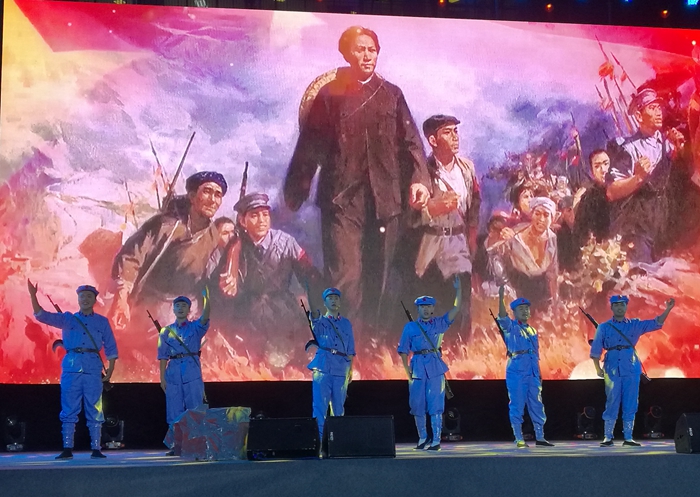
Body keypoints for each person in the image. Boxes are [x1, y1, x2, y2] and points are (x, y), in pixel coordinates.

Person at [284, 26, 430, 319]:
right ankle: (345, 337)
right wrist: (296, 190)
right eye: (360, 49)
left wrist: (420, 180)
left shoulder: (392, 94)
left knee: (379, 276)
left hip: (385, 201)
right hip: (341, 201)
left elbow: (411, 142)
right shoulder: (330, 95)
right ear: (347, 54)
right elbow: (310, 144)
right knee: (345, 276)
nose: (367, 56)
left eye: (372, 50)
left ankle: (371, 340)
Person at [110, 171, 228, 329]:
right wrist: (121, 297)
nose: (212, 200)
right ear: (192, 196)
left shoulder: (213, 235)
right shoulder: (165, 225)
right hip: (150, 307)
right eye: (207, 191)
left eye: (218, 195)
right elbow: (131, 257)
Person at [217, 193, 322, 368]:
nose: (261, 220)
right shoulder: (235, 247)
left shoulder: (286, 242)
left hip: (282, 311)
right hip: (249, 313)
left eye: (265, 214)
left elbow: (308, 273)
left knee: (292, 361)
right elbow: (226, 285)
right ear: (242, 221)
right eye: (254, 215)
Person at [27, 280, 118, 459]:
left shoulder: (102, 322)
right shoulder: (68, 319)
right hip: (71, 367)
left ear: (94, 300)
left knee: (95, 408)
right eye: (82, 296)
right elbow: (41, 315)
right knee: (68, 408)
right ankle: (67, 448)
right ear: (78, 299)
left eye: (89, 296)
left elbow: (111, 346)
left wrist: (110, 370)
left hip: (93, 368)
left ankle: (96, 448)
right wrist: (33, 295)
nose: (85, 299)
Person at [413, 115, 480, 336]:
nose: (455, 137)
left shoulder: (467, 169)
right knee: (435, 302)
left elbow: (474, 205)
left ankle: (461, 348)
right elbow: (411, 215)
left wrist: (471, 239)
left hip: (459, 243)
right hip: (432, 244)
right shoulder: (422, 171)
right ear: (433, 140)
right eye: (447, 132)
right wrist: (432, 209)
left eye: (455, 131)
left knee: (461, 303)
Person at [606, 88, 686, 262]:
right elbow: (612, 191)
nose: (659, 112)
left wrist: (679, 149)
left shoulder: (667, 143)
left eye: (659, 108)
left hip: (662, 221)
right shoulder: (628, 149)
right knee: (642, 271)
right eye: (652, 108)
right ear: (639, 116)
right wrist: (638, 178)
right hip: (638, 223)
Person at [590, 294, 675, 446]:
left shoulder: (634, 324)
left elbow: (656, 323)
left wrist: (668, 309)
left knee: (631, 402)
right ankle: (608, 437)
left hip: (631, 367)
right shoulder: (603, 327)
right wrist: (597, 368)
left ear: (626, 307)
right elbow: (596, 349)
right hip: (612, 368)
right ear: (611, 307)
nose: (619, 307)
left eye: (622, 304)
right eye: (616, 305)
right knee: (612, 401)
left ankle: (628, 437)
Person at [397, 276, 462, 451]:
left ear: (433, 308)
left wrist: (458, 290)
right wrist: (407, 372)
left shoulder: (439, 323)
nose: (425, 309)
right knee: (417, 405)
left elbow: (456, 309)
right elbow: (403, 351)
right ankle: (422, 438)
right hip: (417, 367)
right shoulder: (410, 327)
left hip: (434, 366)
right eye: (422, 307)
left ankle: (436, 440)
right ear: (418, 309)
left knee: (436, 405)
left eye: (428, 306)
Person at [496, 284, 553, 448]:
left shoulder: (533, 330)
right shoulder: (511, 327)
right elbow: (502, 317)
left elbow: (535, 354)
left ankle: (540, 437)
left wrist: (539, 373)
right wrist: (501, 298)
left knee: (537, 404)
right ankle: (519, 438)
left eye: (527, 309)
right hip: (517, 370)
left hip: (532, 371)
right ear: (514, 312)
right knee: (517, 404)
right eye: (521, 309)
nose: (525, 311)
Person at [158, 288, 211, 455]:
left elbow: (205, 318)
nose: (180, 308)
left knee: (195, 408)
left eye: (184, 306)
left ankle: (197, 445)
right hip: (173, 372)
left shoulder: (195, 328)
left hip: (191, 371)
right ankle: (176, 445)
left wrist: (207, 300)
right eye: (177, 306)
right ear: (173, 309)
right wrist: (162, 378)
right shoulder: (165, 331)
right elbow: (162, 356)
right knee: (174, 410)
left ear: (189, 310)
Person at [305, 287, 356, 440]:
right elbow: (314, 313)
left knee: (338, 408)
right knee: (320, 407)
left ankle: (337, 442)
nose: (334, 301)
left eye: (336, 298)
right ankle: (319, 442)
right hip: (323, 367)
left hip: (341, 368)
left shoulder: (346, 323)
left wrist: (350, 369)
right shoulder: (321, 321)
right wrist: (309, 293)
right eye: (330, 298)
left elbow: (351, 350)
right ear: (325, 302)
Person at [574, 150, 612, 243]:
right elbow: (581, 232)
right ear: (592, 172)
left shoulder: (626, 190)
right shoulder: (589, 197)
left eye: (606, 164)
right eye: (597, 166)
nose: (603, 170)